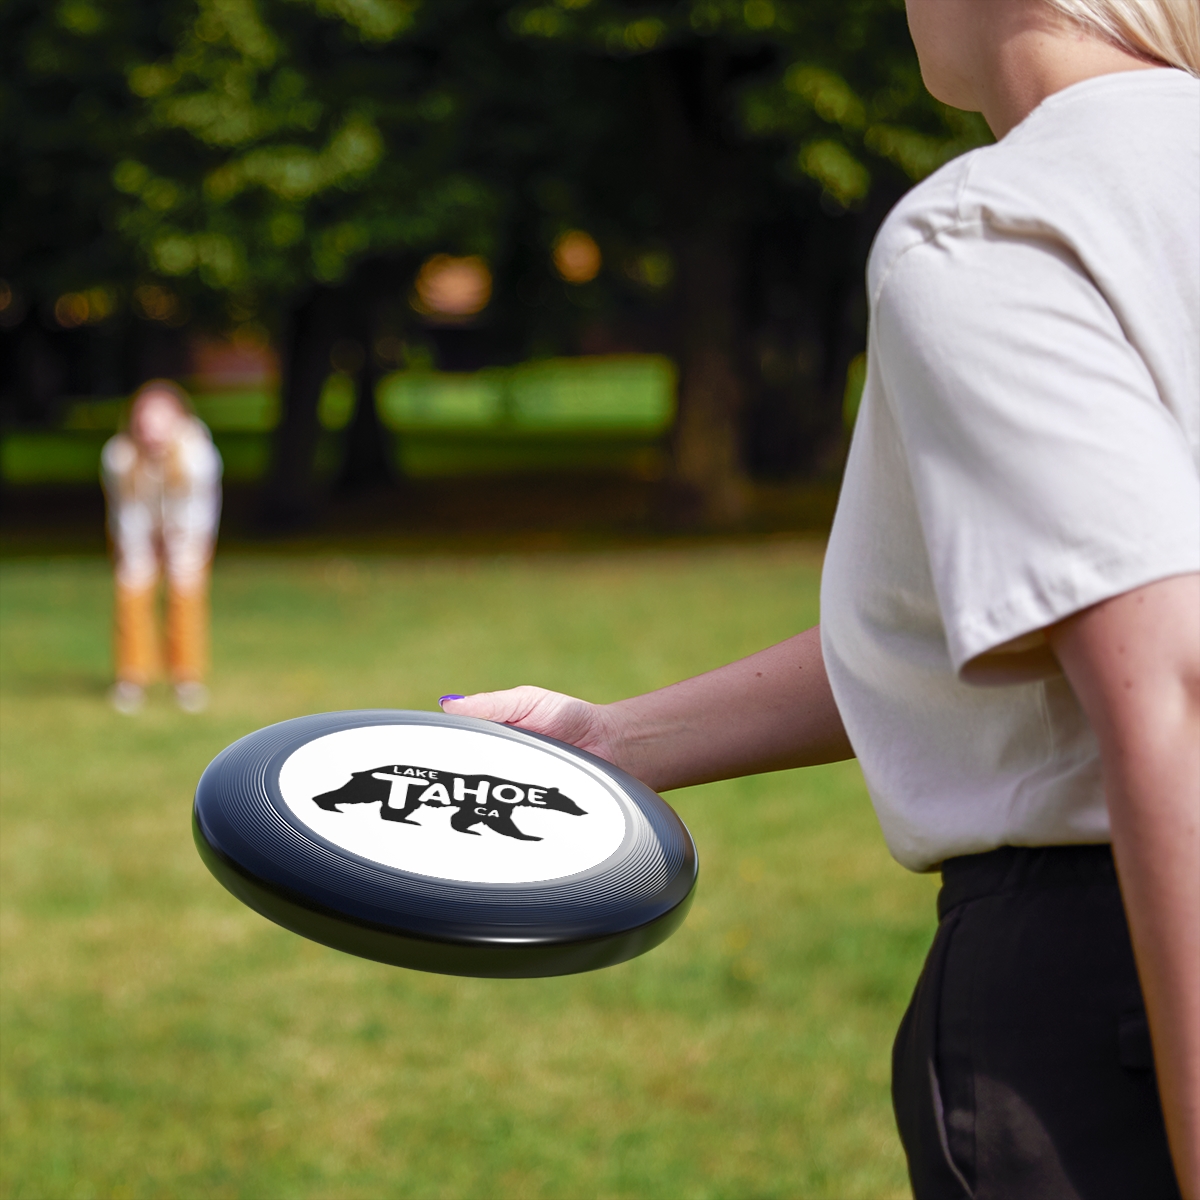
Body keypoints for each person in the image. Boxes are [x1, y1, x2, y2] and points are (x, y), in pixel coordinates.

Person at [439, 1, 1200, 1195]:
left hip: (1116, 988)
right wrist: (613, 741)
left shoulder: (1001, 224)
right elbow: (1013, 615)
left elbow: (1171, 683)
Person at [101, 380, 223, 714]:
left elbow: (198, 511)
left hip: (187, 533)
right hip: (138, 531)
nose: (151, 429)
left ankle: (187, 678)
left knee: (186, 595)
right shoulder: (119, 456)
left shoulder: (198, 456)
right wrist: (140, 551)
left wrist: (178, 546)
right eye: (145, 420)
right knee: (132, 591)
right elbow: (127, 511)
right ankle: (132, 678)